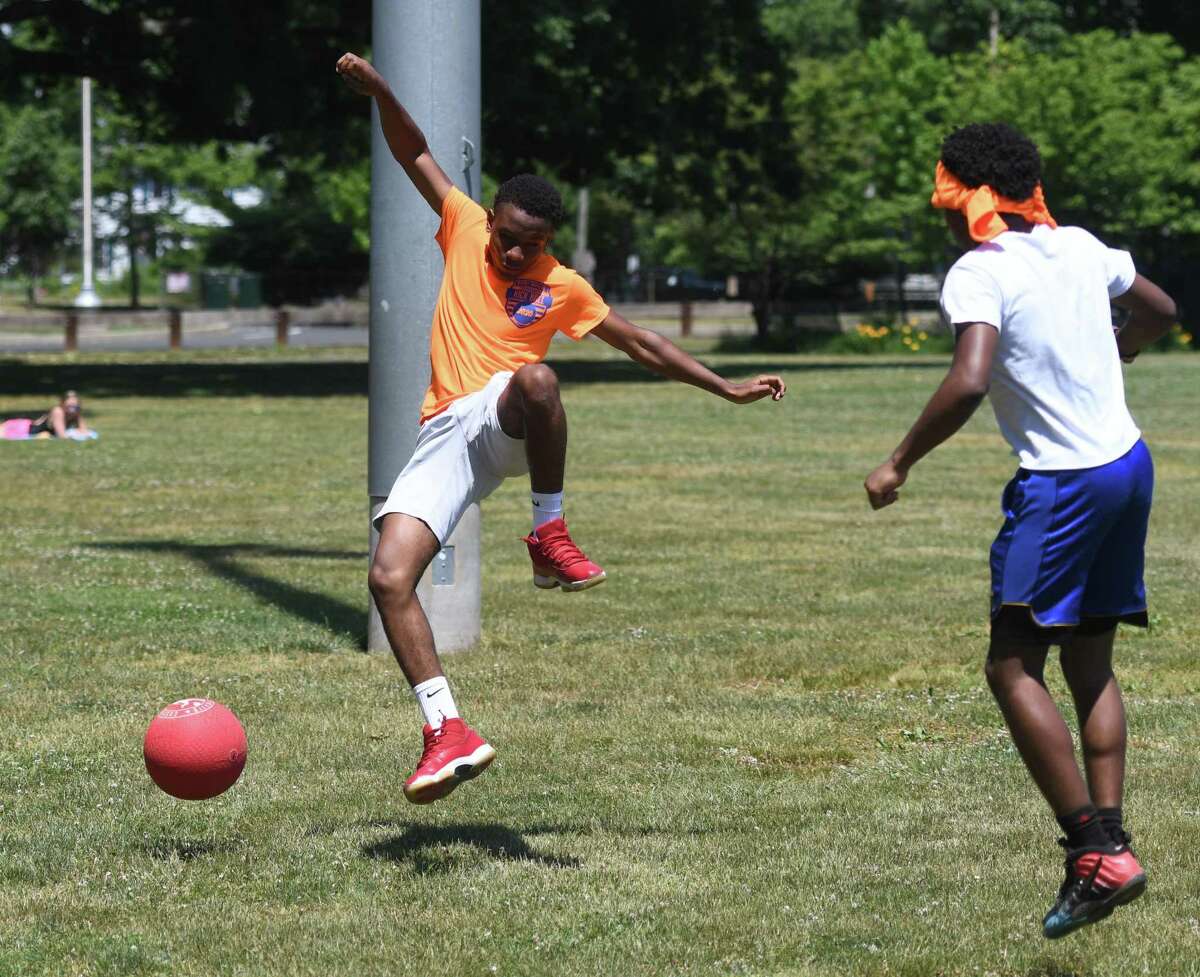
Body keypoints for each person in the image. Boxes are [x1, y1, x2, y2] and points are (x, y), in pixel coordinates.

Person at [336, 52, 786, 805]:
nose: (517, 254)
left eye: (534, 244)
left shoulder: (561, 286)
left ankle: (549, 529)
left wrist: (725, 386)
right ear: (492, 221)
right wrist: (382, 90)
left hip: (507, 417)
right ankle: (446, 730)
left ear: (550, 242)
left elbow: (641, 342)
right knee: (388, 577)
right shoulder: (462, 223)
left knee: (538, 377)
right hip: (446, 432)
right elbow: (413, 151)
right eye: (509, 238)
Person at [864, 123, 1177, 939]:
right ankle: (1112, 845)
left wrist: (898, 461)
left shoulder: (980, 269)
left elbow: (970, 378)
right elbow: (1160, 308)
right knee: (1089, 659)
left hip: (1063, 483)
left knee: (1011, 664)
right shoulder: (1079, 245)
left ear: (964, 196)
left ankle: (1092, 850)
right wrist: (1124, 347)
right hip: (1127, 463)